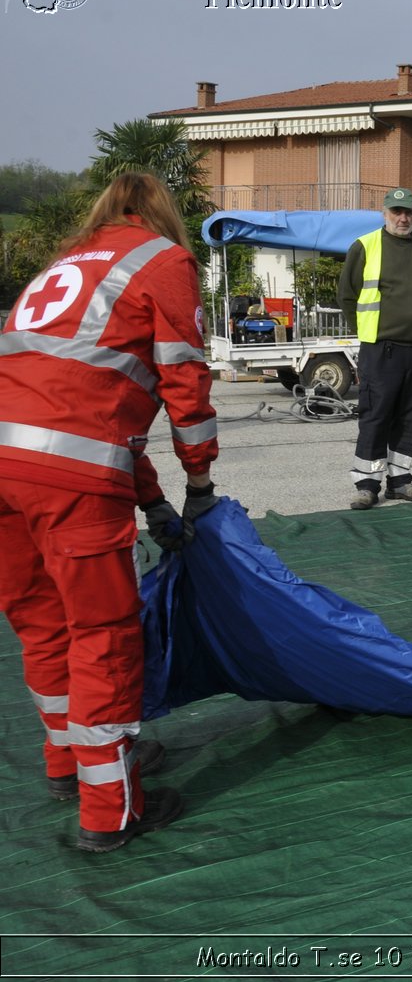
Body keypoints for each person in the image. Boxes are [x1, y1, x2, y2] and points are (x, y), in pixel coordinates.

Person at [0, 172, 220, 851]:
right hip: (69, 481)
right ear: (161, 215)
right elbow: (183, 379)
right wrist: (199, 481)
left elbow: (83, 403)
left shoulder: (62, 267)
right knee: (102, 634)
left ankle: (68, 763)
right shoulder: (163, 260)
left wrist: (150, 497)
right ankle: (110, 809)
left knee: (42, 623)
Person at [339, 187, 412, 510]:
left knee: (410, 417)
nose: (402, 217)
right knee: (375, 415)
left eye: (408, 211)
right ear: (384, 213)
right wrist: (366, 333)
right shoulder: (364, 247)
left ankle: (400, 482)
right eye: (396, 211)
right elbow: (347, 295)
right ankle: (367, 485)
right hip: (380, 349)